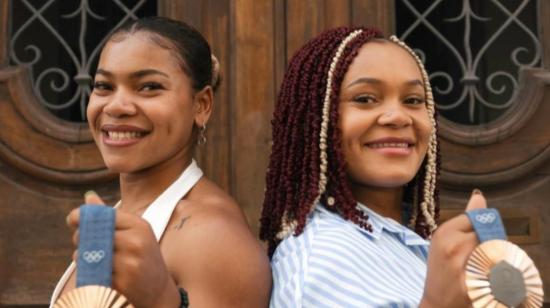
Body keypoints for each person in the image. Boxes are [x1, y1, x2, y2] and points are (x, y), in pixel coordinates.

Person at [50, 17, 271, 307]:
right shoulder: (124, 212)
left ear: (201, 105)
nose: (117, 105)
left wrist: (163, 299)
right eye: (104, 85)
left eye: (148, 87)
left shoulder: (211, 237)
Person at [260, 26, 487, 307]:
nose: (397, 116)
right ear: (315, 120)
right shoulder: (323, 262)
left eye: (413, 100)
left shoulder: (410, 239)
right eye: (365, 99)